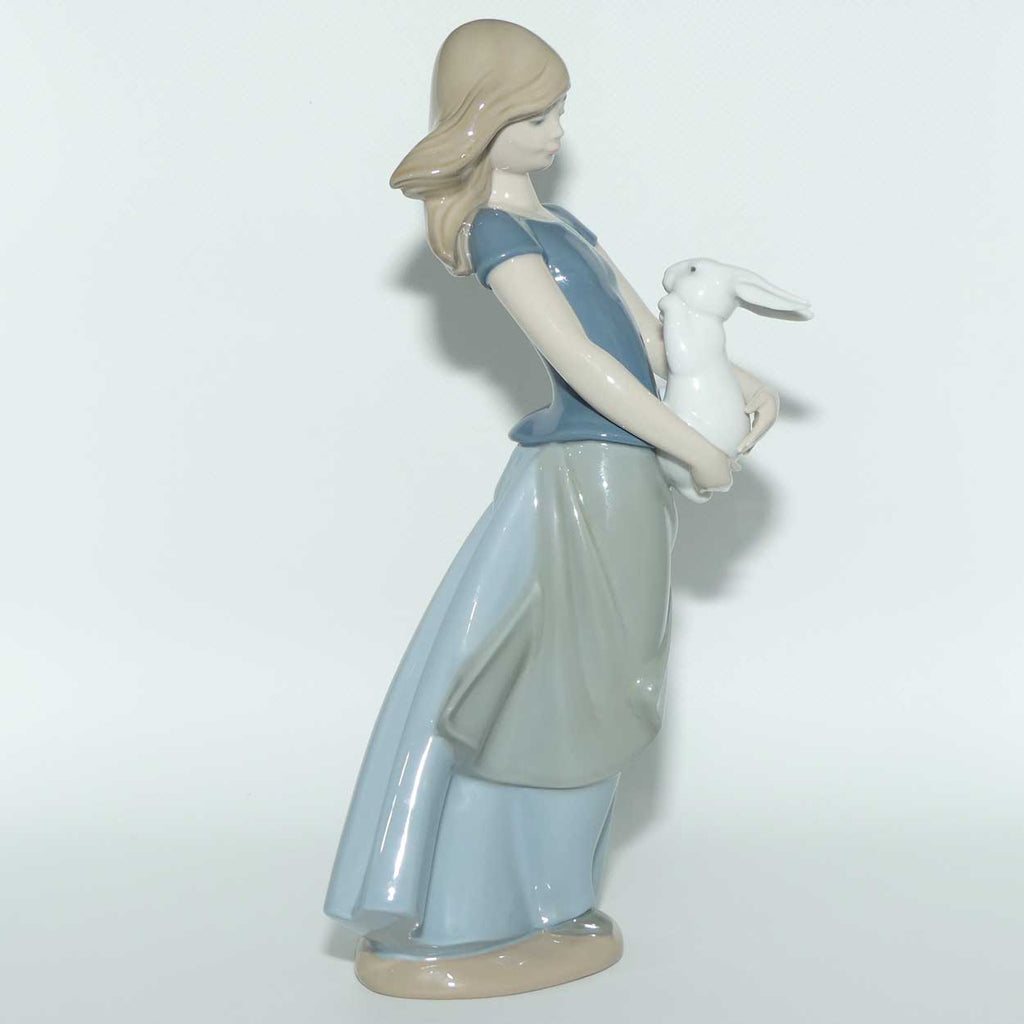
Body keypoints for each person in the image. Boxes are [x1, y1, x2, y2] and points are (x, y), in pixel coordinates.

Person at [324, 18, 778, 1000]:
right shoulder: (497, 234)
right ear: (480, 121)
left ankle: (551, 899)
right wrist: (689, 441)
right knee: (556, 695)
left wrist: (732, 376)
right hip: (588, 475)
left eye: (559, 111)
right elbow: (577, 359)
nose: (555, 131)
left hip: (625, 475)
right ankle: (475, 910)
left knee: (603, 688)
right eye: (535, 115)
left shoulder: (565, 225)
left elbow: (650, 344)